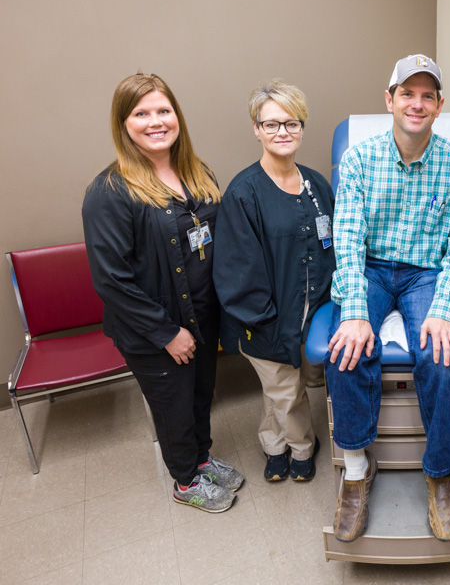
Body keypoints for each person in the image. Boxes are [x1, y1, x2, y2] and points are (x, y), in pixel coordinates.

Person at [327, 54, 450, 543]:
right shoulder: (358, 160)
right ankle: (356, 471)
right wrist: (353, 312)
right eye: (407, 94)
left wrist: (442, 309)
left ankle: (440, 475)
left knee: (441, 354)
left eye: (428, 96)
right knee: (346, 350)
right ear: (389, 100)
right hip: (371, 268)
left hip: (426, 274)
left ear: (439, 107)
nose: (417, 103)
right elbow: (348, 241)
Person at [82, 73, 244, 513]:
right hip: (154, 331)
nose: (155, 121)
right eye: (141, 113)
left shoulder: (196, 171)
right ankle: (186, 481)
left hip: (203, 317)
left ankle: (202, 459)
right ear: (123, 124)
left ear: (177, 117)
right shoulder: (110, 192)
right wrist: (166, 332)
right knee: (173, 406)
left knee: (200, 395)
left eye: (163, 110)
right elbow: (110, 279)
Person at [214, 80, 335, 482]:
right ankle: (302, 449)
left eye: (291, 123)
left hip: (312, 312)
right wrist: (264, 321)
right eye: (271, 124)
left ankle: (272, 442)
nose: (282, 132)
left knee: (278, 391)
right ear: (256, 129)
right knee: (288, 392)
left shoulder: (317, 185)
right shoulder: (243, 193)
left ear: (302, 127)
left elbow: (331, 247)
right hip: (265, 320)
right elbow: (236, 269)